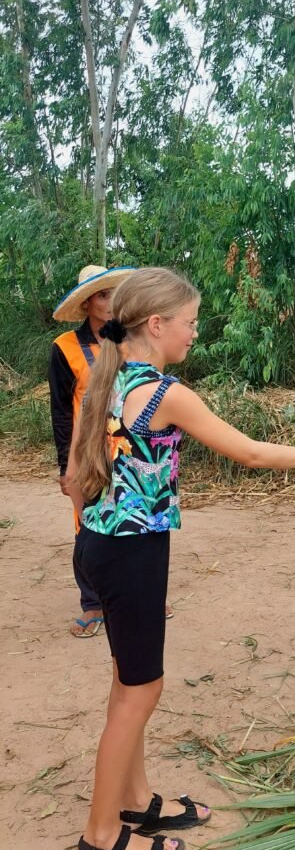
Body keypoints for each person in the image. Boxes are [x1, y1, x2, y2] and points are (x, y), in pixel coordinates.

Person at [65, 267, 295, 850]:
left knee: (128, 682)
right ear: (157, 325)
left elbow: (74, 475)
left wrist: (102, 524)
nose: (195, 332)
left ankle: (134, 800)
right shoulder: (163, 392)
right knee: (141, 692)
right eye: (190, 322)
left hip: (100, 545)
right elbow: (250, 452)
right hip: (132, 553)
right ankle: (99, 842)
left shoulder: (106, 378)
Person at [49, 264, 136, 638]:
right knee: (87, 525)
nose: (111, 301)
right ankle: (93, 602)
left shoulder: (133, 341)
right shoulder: (65, 348)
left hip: (128, 448)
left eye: (115, 294)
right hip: (86, 453)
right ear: (86, 303)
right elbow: (60, 411)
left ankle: (138, 595)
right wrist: (65, 466)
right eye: (103, 295)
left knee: (133, 520)